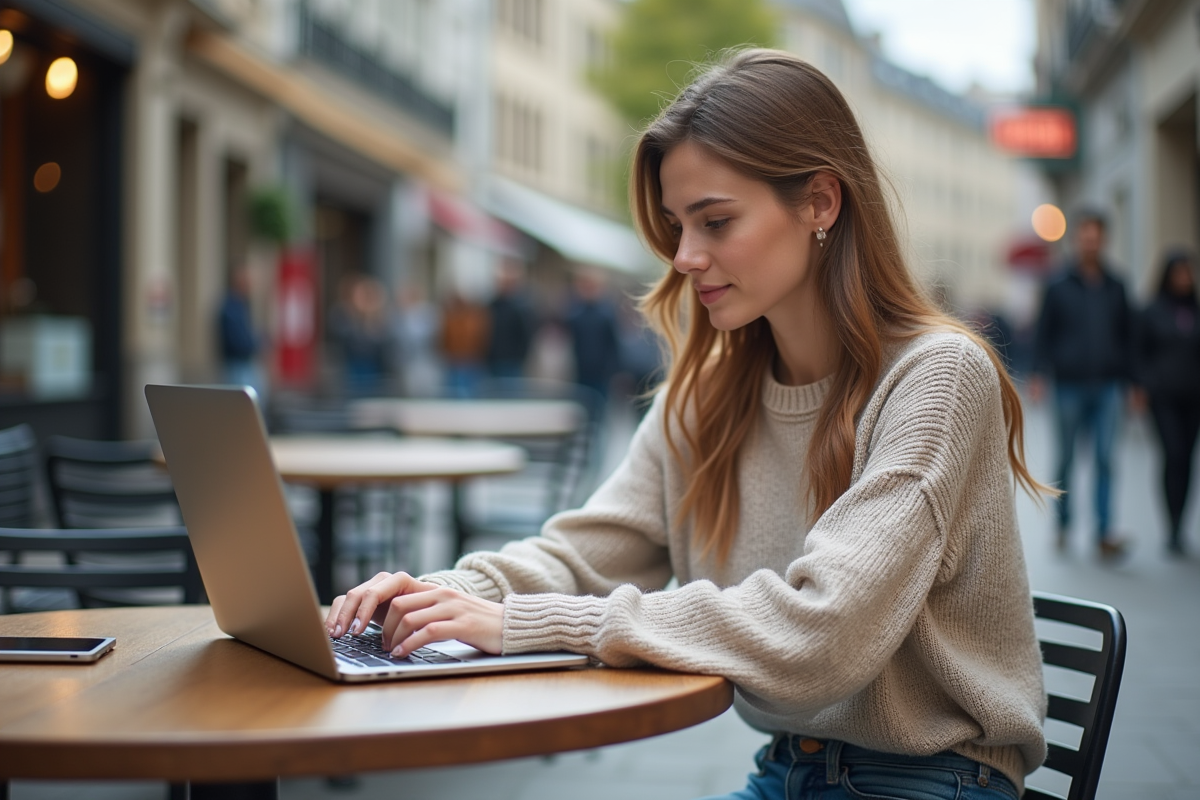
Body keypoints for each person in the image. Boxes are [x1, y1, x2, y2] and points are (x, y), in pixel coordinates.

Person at [326, 50, 1049, 800]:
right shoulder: (708, 392)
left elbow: (819, 635)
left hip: (932, 781)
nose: (684, 256)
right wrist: (425, 600)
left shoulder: (936, 377)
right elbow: (584, 555)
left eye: (716, 221)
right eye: (677, 225)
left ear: (820, 204)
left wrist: (526, 624)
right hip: (786, 771)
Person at [1030, 208, 1135, 558]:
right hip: (1068, 386)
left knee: (1106, 458)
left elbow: (1127, 337)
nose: (1090, 242)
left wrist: (1133, 383)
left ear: (1104, 240)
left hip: (1108, 385)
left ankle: (1104, 532)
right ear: (1076, 239)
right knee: (1066, 459)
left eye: (1096, 236)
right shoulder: (1058, 285)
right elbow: (1043, 333)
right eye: (1085, 235)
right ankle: (1064, 524)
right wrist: (1037, 375)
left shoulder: (1116, 285)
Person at [1135, 249, 1200, 557]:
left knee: (1186, 459)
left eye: (1188, 273)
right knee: (1172, 454)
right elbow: (1139, 352)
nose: (1184, 279)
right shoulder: (1152, 311)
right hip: (1163, 398)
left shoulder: (1195, 310)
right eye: (1179, 273)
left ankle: (1180, 524)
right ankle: (1170, 523)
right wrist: (1145, 385)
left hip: (1193, 398)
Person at [566, 269, 621, 407]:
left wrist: (613, 369)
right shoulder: (575, 314)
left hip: (601, 371)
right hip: (581, 369)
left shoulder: (606, 314)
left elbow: (613, 344)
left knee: (599, 405)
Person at [217, 265, 267, 401]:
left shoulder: (241, 304)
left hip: (242, 364)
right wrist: (255, 343)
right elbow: (238, 342)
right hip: (237, 365)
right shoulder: (230, 308)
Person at [485, 260, 538, 380]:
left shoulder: (520, 306)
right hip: (493, 360)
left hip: (512, 361)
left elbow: (526, 334)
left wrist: (520, 356)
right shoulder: (492, 305)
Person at [439, 291, 489, 398]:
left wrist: (477, 355)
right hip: (454, 361)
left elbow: (480, 339)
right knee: (453, 392)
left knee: (471, 391)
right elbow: (445, 338)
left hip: (471, 361)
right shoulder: (450, 318)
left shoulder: (474, 319)